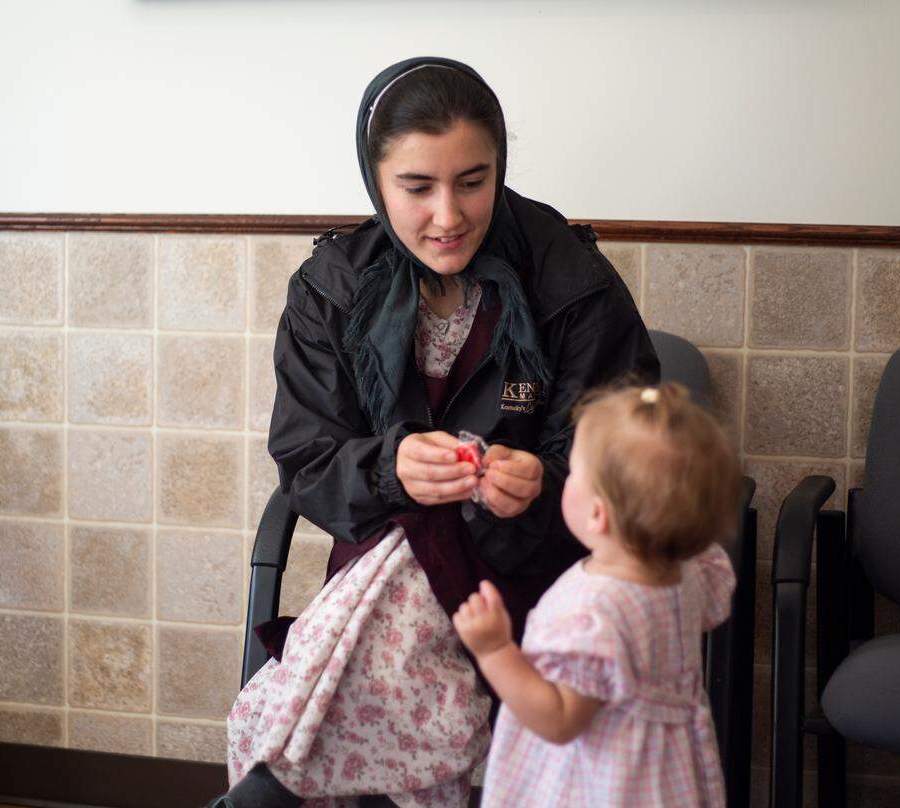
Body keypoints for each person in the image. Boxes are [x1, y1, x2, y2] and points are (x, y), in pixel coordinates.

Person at [213, 57, 657, 808]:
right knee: (403, 587)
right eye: (417, 188)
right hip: (383, 565)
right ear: (375, 183)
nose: (448, 216)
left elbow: (632, 461)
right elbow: (308, 459)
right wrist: (389, 469)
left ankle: (277, 785)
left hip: (537, 575)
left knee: (367, 645)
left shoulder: (573, 283)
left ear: (501, 168)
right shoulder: (334, 288)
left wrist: (544, 483)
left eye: (473, 182)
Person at [453, 382, 741, 807]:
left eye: (574, 471)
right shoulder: (693, 571)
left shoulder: (590, 612)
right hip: (671, 777)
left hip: (599, 785)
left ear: (596, 513)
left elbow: (559, 720)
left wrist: (495, 651)